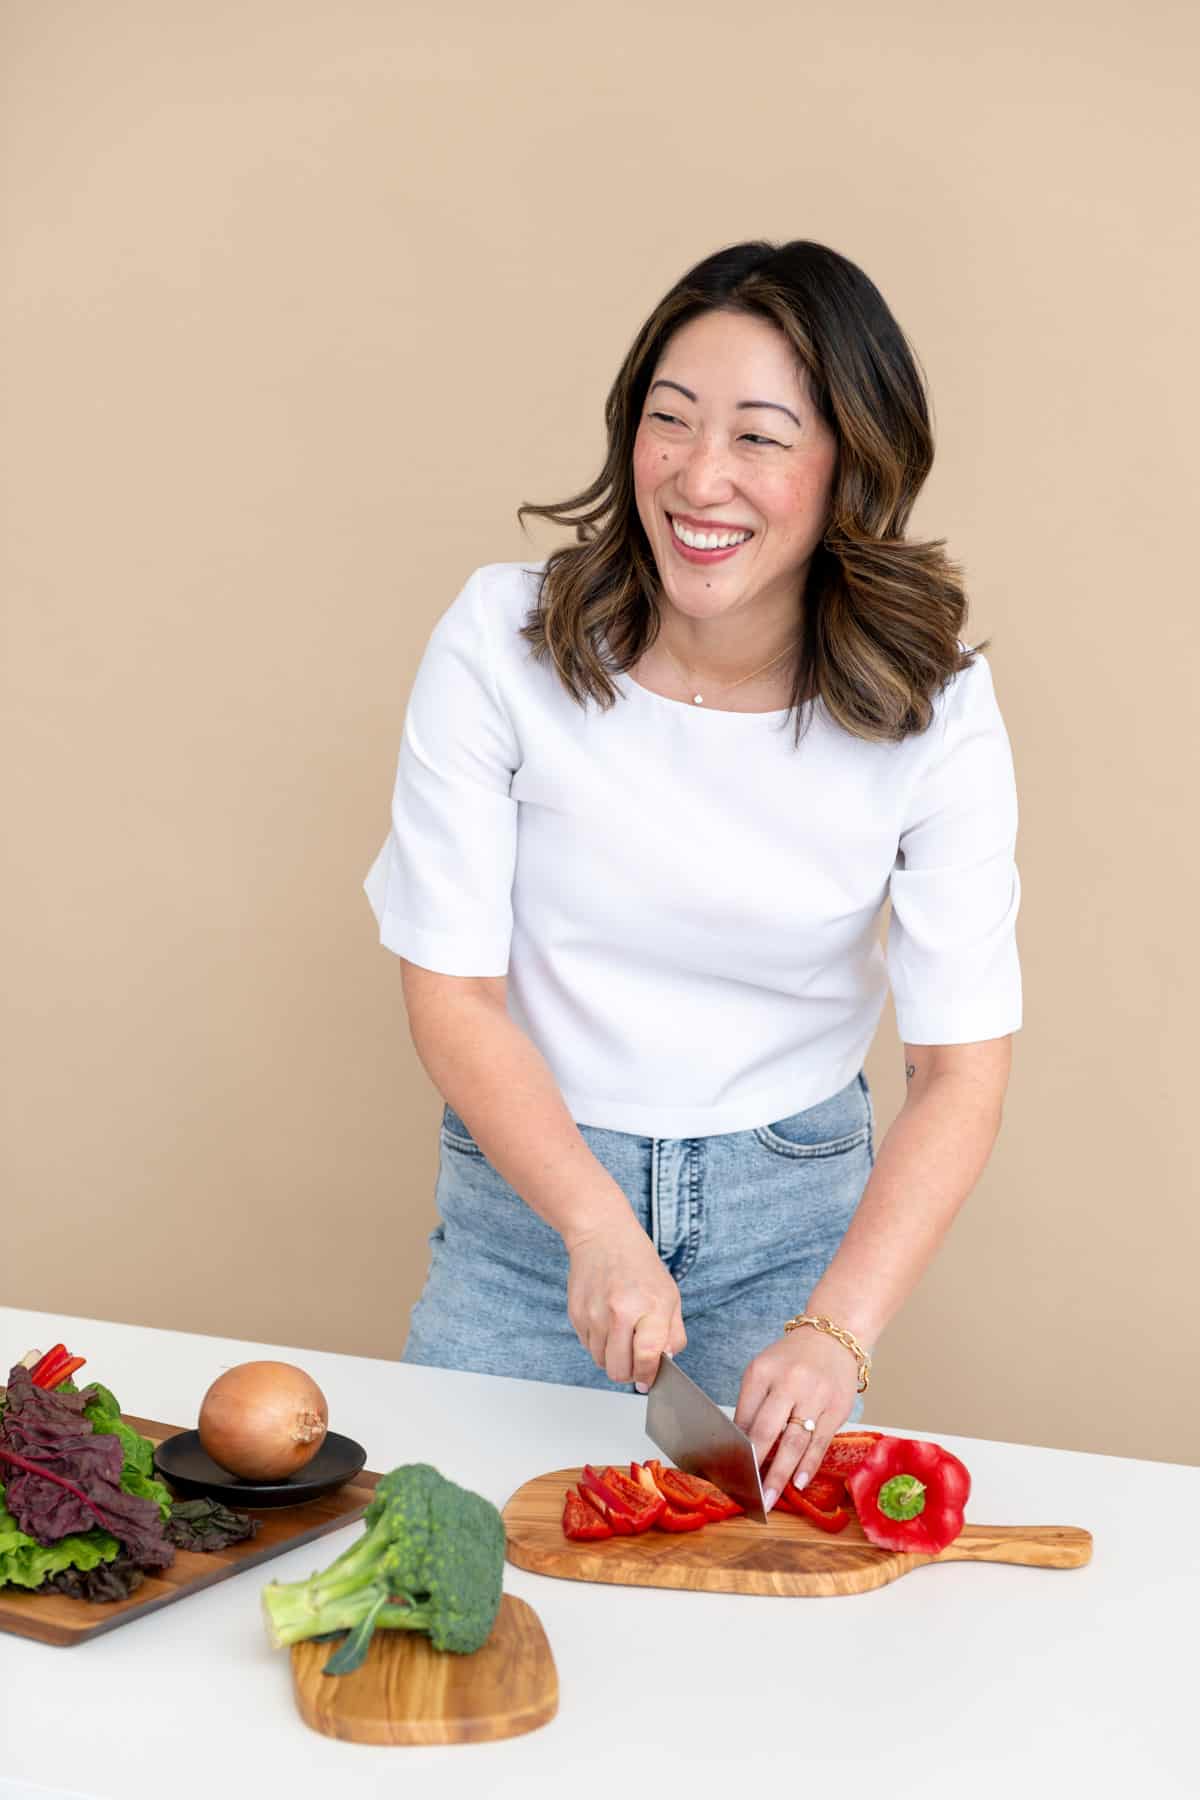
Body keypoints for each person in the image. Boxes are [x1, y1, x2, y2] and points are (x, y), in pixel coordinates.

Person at [363, 239, 1021, 1512]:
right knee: (444, 1546)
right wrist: (595, 1224)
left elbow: (959, 1076)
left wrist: (836, 1332)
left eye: (762, 437)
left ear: (850, 470)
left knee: (745, 1611)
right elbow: (452, 991)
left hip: (791, 1230)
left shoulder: (936, 709)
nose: (700, 475)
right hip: (527, 1218)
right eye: (669, 421)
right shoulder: (499, 642)